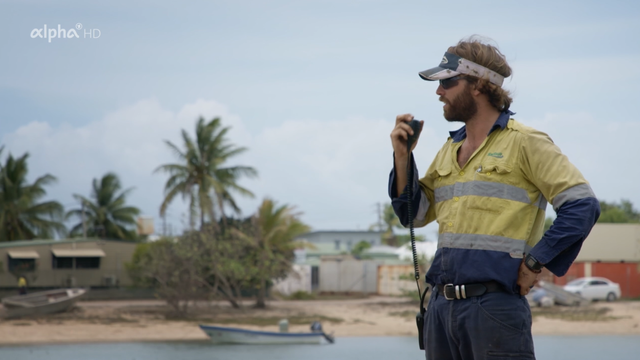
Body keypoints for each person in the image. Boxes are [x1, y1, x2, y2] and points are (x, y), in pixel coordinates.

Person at [388, 37, 600, 359]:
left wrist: (535, 261)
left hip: (494, 310)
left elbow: (582, 205)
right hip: (441, 311)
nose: (438, 92)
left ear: (478, 85)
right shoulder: (448, 150)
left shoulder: (526, 142)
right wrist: (402, 158)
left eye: (447, 82)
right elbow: (413, 216)